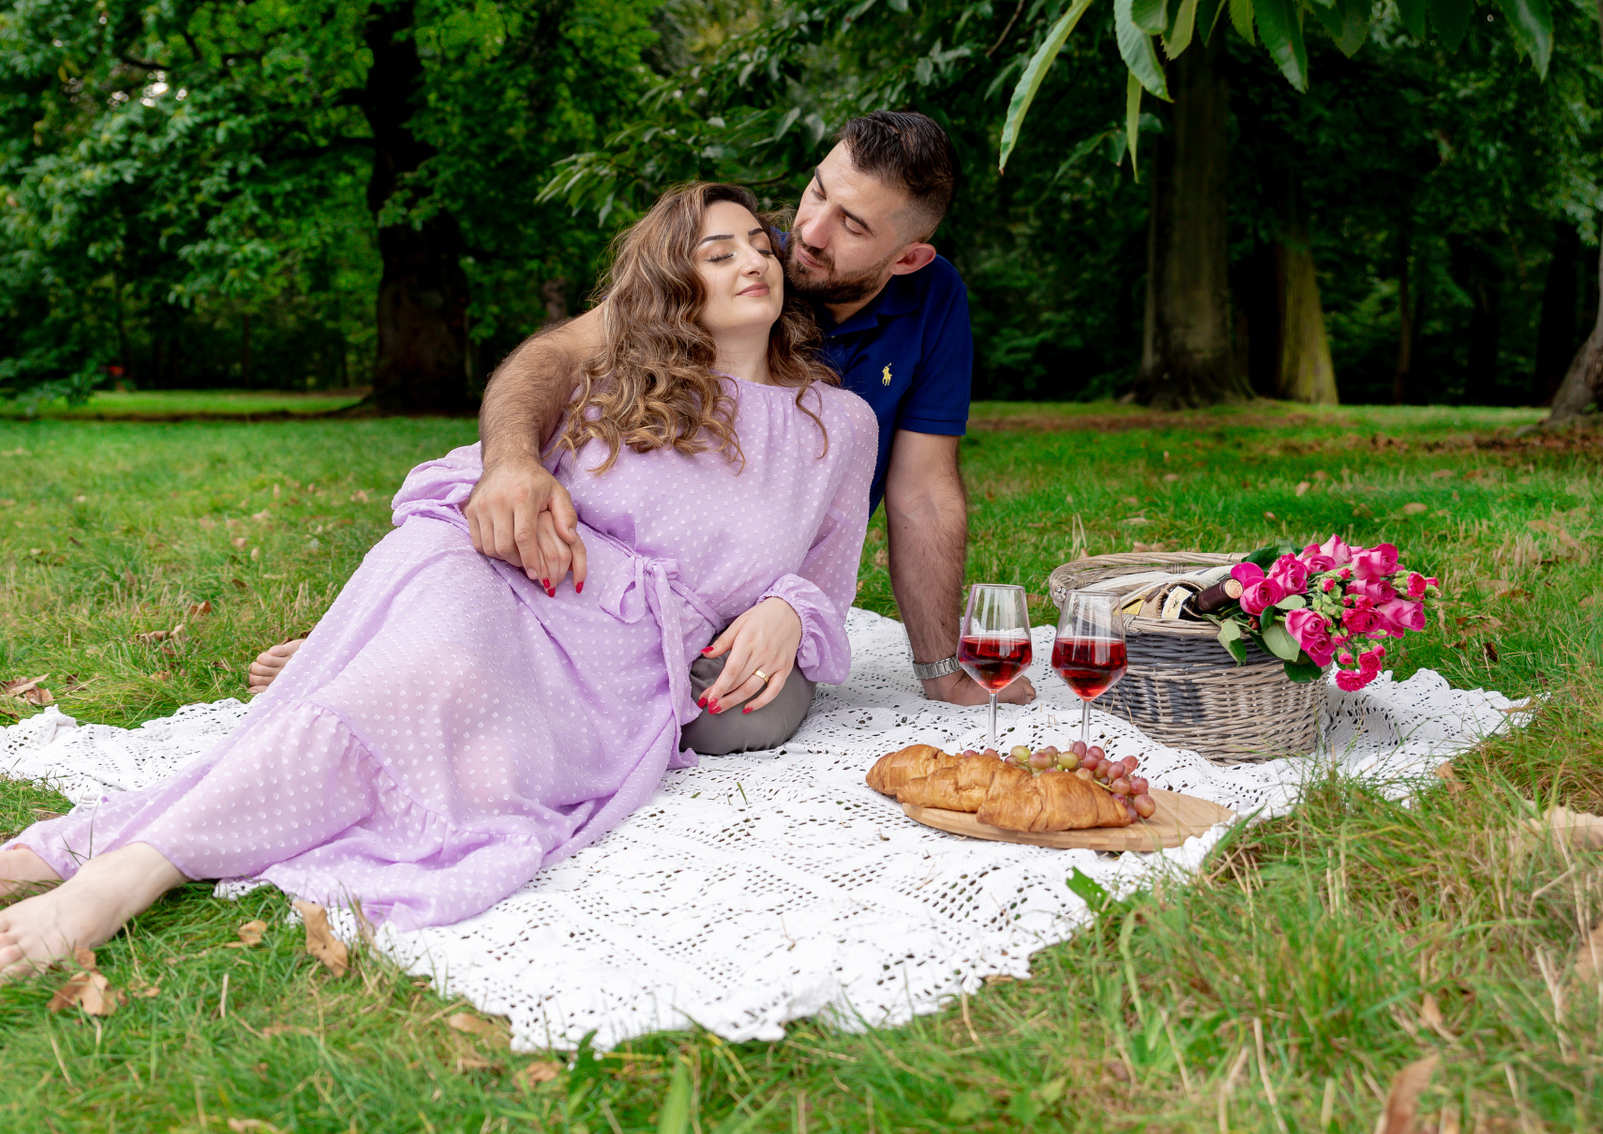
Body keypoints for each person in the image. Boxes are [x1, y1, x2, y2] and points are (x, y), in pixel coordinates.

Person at [0, 183, 878, 983]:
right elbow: (480, 485)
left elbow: (823, 584)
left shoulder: (837, 426)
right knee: (425, 654)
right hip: (505, 579)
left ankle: (110, 852)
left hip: (616, 659)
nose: (753, 260)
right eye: (716, 253)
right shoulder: (613, 380)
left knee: (433, 711)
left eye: (759, 245)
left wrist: (786, 612)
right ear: (672, 283)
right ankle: (122, 871)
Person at [250, 111, 1034, 708]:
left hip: (756, 576)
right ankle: (387, 644)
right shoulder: (743, 260)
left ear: (909, 257)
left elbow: (924, 490)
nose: (807, 232)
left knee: (727, 709)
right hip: (644, 554)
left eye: (852, 225)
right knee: (525, 590)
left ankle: (409, 650)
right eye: (816, 192)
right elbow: (556, 355)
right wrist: (511, 461)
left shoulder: (934, 302)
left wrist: (940, 669)